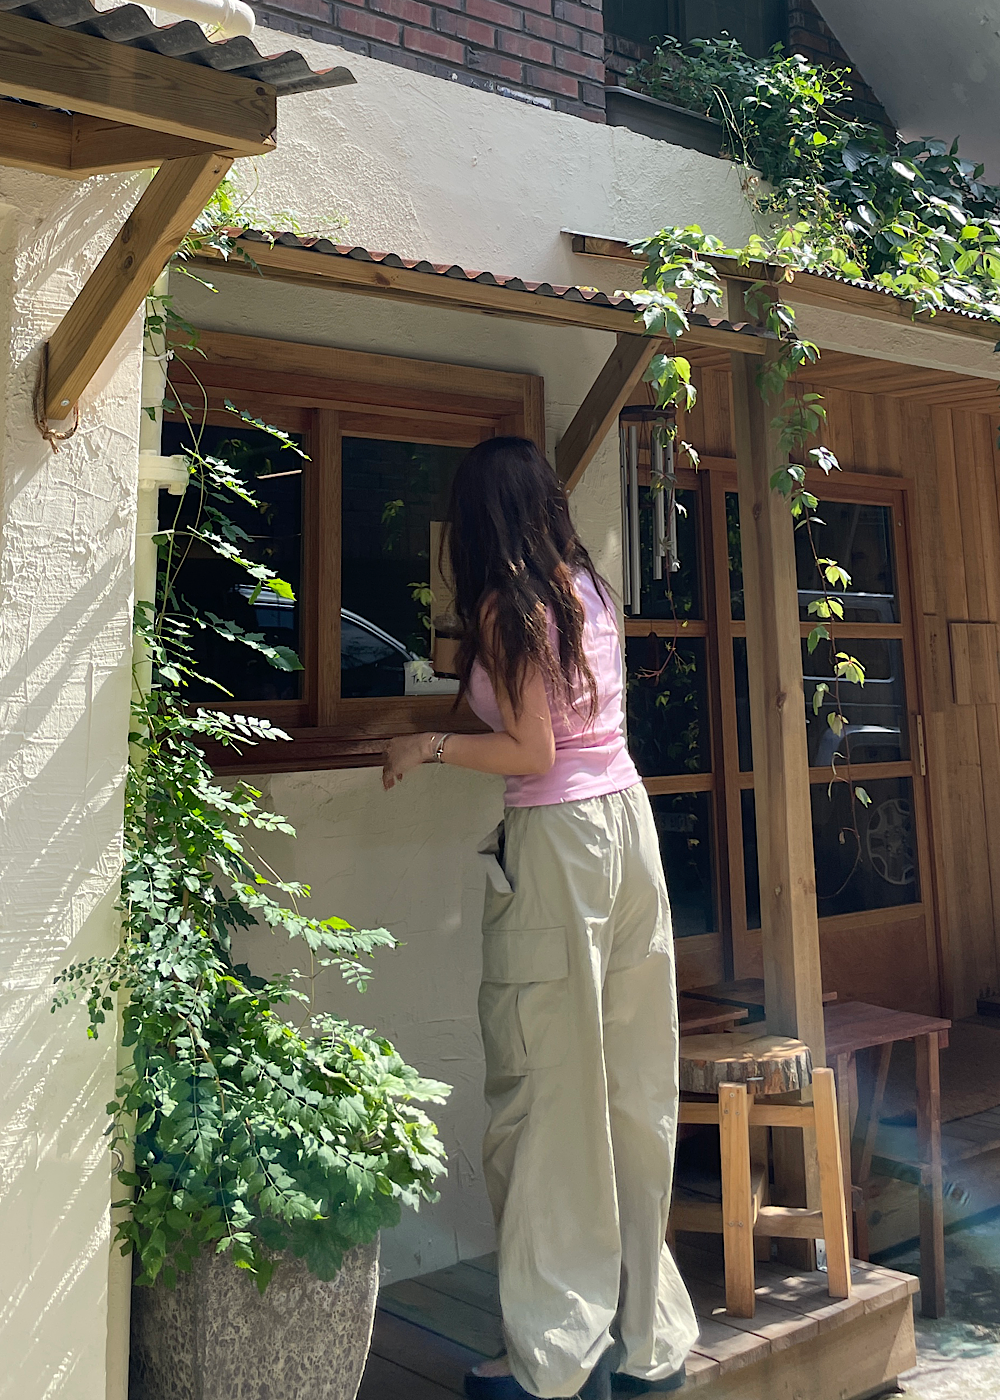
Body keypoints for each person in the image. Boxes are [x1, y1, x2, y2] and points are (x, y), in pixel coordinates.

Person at [382, 438, 697, 1400]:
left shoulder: (506, 606)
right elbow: (564, 727)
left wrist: (428, 745)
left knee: (548, 1095)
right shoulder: (587, 591)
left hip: (561, 844)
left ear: (480, 520)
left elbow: (530, 750)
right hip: (627, 827)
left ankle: (556, 1357)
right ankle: (645, 1339)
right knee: (633, 1090)